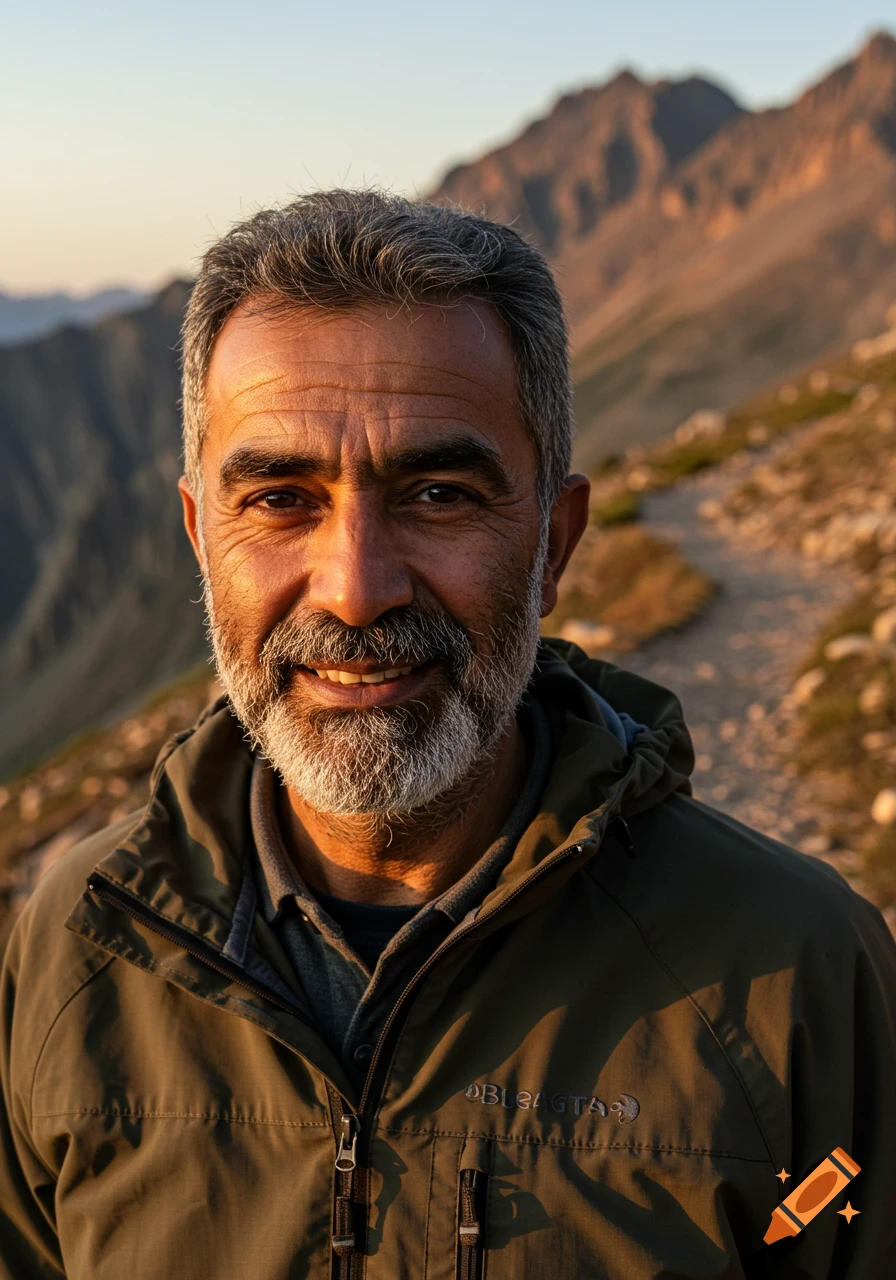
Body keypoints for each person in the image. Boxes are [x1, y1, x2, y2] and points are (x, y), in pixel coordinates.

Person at [1, 190, 894, 1280]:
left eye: (435, 493)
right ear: (200, 537)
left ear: (553, 544)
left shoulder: (796, 971)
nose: (356, 588)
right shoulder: (78, 943)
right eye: (280, 499)